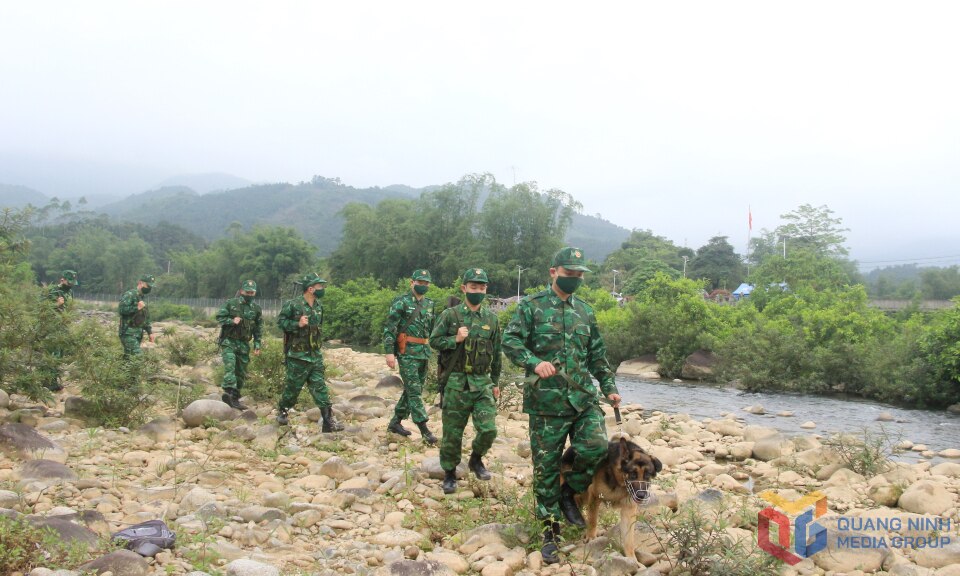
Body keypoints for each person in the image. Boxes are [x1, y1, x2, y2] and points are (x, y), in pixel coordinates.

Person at [501, 247, 621, 565]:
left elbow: (597, 355)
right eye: (570, 274)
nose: (575, 279)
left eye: (579, 274)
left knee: (597, 447)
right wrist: (533, 361)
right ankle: (550, 532)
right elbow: (510, 341)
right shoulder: (531, 307)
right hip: (545, 404)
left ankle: (570, 492)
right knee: (545, 471)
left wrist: (609, 388)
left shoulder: (585, 311)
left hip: (582, 400)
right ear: (553, 272)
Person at [429, 267, 502, 494]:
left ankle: (476, 459)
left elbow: (497, 353)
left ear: (486, 289)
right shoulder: (450, 316)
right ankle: (450, 473)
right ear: (464, 288)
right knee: (452, 433)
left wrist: (496, 382)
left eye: (481, 287)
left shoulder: (491, 319)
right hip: (456, 383)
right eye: (473, 287)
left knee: (488, 429)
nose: (477, 291)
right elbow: (434, 341)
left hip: (482, 383)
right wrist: (455, 339)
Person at [276, 272, 343, 432]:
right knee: (293, 387)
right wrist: (296, 324)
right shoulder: (293, 305)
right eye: (320, 286)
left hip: (314, 355)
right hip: (297, 355)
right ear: (311, 289)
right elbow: (280, 322)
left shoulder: (319, 307)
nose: (323, 289)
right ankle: (283, 410)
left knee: (320, 387)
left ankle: (328, 421)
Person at [383, 268, 437, 444]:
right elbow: (390, 328)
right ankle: (424, 429)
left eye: (426, 283)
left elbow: (432, 329)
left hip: (423, 352)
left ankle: (395, 422)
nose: (423, 285)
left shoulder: (430, 304)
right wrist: (389, 352)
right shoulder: (401, 302)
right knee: (414, 391)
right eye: (420, 282)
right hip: (406, 353)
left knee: (413, 389)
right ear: (412, 282)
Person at [216, 279, 263, 410]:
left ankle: (235, 398)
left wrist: (257, 344)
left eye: (252, 292)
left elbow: (258, 328)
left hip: (244, 344)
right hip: (229, 341)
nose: (249, 294)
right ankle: (229, 391)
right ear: (241, 291)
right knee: (230, 365)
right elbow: (219, 317)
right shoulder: (231, 304)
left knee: (241, 373)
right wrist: (231, 320)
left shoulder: (256, 309)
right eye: (247, 292)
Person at [44, 269, 79, 390]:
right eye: (69, 282)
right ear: (62, 279)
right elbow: (42, 308)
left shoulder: (70, 293)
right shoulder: (53, 291)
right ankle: (47, 381)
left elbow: (69, 309)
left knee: (60, 354)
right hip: (51, 326)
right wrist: (56, 305)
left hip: (63, 327)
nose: (71, 285)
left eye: (72, 282)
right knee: (52, 353)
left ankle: (53, 380)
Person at [118, 274, 156, 357]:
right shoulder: (130, 294)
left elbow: (145, 317)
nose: (149, 288)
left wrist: (150, 332)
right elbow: (121, 310)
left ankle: (116, 369)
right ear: (140, 283)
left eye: (151, 287)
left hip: (137, 334)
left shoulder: (142, 298)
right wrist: (136, 308)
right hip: (128, 333)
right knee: (137, 357)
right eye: (148, 285)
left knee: (129, 360)